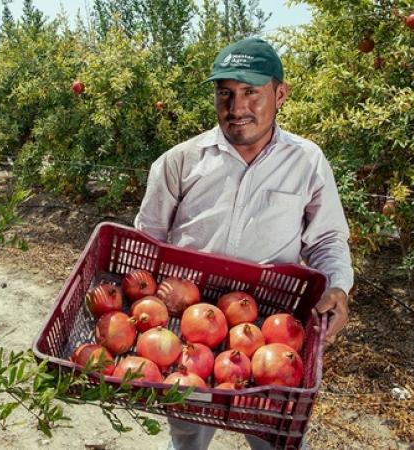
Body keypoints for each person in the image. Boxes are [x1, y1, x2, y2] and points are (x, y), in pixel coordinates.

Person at [133, 37, 354, 450]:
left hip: (269, 327)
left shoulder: (306, 161)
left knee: (274, 436)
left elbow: (326, 238)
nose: (236, 108)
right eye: (226, 93)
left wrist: (338, 287)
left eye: (251, 92)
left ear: (280, 94)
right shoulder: (179, 161)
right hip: (187, 325)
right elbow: (149, 240)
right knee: (186, 432)